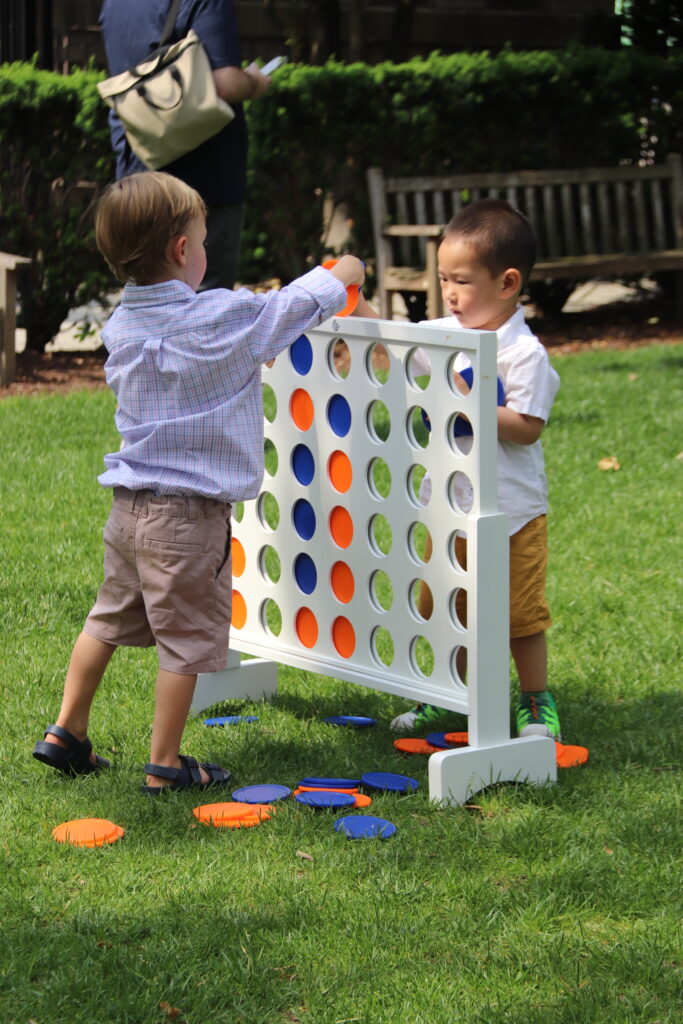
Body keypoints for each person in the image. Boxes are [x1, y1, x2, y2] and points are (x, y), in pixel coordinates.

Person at [32, 171, 365, 793]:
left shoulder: (122, 326)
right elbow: (288, 306)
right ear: (183, 250)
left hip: (129, 510)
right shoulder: (219, 318)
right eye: (203, 240)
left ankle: (65, 731)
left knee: (105, 620)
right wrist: (344, 270)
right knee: (185, 642)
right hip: (187, 519)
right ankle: (166, 764)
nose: (206, 252)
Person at [356, 199, 562, 741]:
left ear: (507, 283)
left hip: (511, 511)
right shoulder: (443, 334)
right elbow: (398, 348)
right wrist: (362, 321)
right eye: (444, 278)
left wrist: (469, 398)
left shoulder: (523, 353)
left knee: (519, 615)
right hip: (450, 507)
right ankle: (452, 695)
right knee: (450, 606)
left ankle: (536, 702)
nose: (448, 292)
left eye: (462, 281)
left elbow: (527, 426)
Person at [99, 0, 271, 291]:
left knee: (144, 298)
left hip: (137, 173)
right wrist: (254, 82)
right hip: (203, 180)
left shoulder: (114, 3)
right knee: (203, 304)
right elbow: (225, 83)